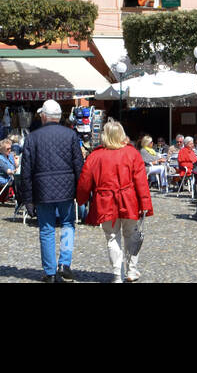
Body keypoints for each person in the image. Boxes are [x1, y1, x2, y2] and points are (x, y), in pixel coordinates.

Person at [76, 121, 153, 283]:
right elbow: (141, 182)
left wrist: (81, 199)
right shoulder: (132, 154)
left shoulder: (95, 156)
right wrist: (145, 204)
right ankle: (131, 271)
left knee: (112, 238)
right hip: (129, 200)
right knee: (131, 235)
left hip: (105, 202)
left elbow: (84, 181)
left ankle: (118, 274)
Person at [18, 100, 84, 282]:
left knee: (46, 230)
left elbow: (26, 172)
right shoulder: (70, 135)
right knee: (68, 225)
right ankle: (65, 263)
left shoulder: (32, 137)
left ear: (44, 116)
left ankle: (50, 272)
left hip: (42, 190)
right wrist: (82, 192)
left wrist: (28, 199)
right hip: (66, 189)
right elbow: (79, 166)